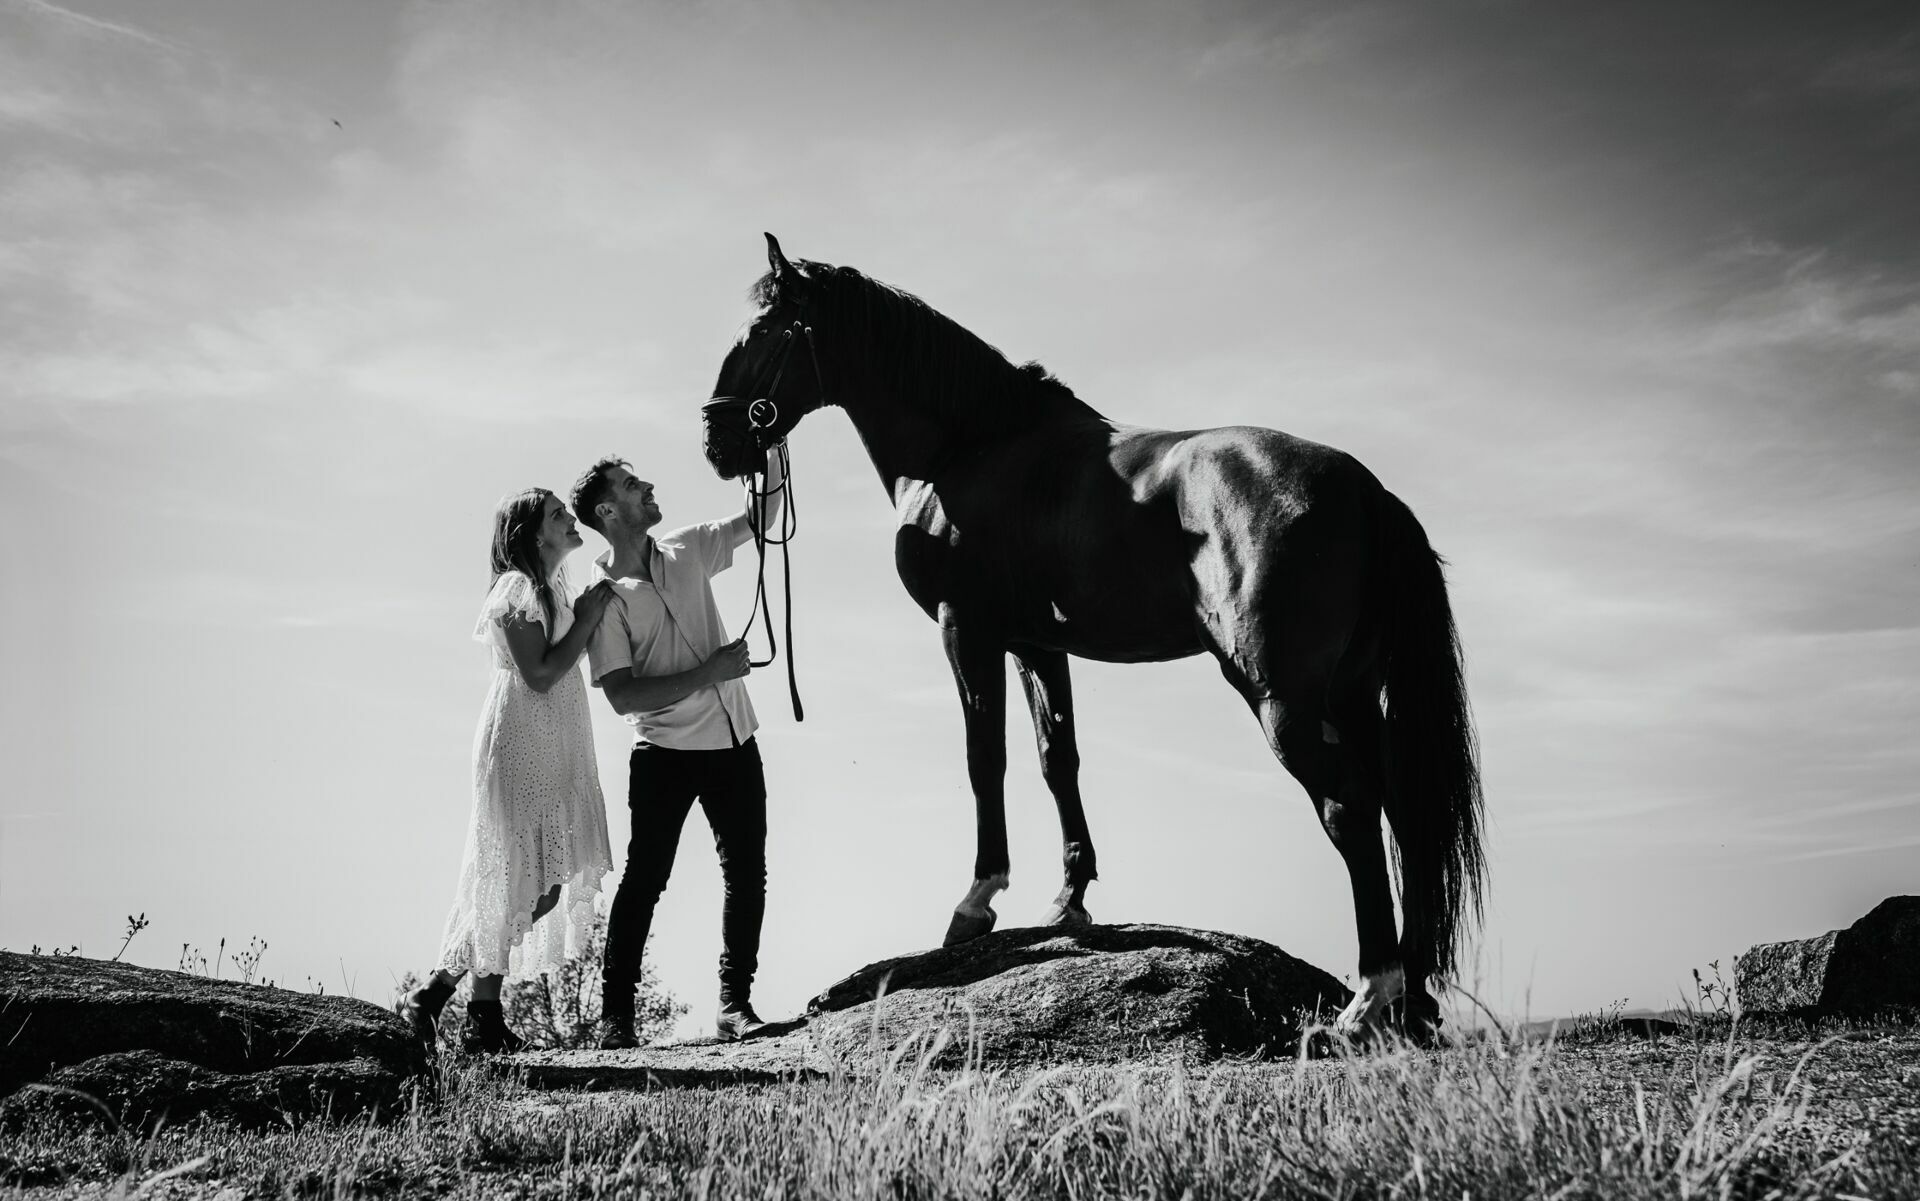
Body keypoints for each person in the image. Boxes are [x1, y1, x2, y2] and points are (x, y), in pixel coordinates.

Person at [569, 450, 784, 1048]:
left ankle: (733, 1005)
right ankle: (617, 1020)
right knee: (645, 880)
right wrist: (710, 670)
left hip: (735, 740)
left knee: (747, 874)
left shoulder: (689, 547)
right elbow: (621, 695)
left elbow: (761, 518)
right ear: (608, 510)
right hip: (662, 753)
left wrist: (765, 455)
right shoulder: (604, 597)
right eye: (633, 485)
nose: (649, 486)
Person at [396, 488, 618, 1053]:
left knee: (536, 885)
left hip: (555, 745)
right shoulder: (516, 589)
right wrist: (589, 619)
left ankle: (446, 999)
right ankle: (475, 1013)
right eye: (558, 515)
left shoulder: (554, 591)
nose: (571, 519)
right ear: (533, 534)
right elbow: (541, 673)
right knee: (513, 875)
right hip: (518, 742)